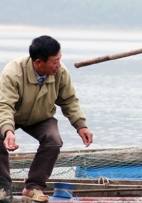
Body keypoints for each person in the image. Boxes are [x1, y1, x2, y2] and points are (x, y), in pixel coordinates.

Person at [0, 35, 93, 201]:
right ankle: (3, 187)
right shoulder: (13, 72)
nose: (58, 64)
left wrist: (81, 126)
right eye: (54, 61)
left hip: (41, 117)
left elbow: (69, 100)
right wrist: (8, 130)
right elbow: (5, 106)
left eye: (60, 59)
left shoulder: (60, 72)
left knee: (53, 140)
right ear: (38, 62)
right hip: (12, 115)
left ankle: (33, 187)